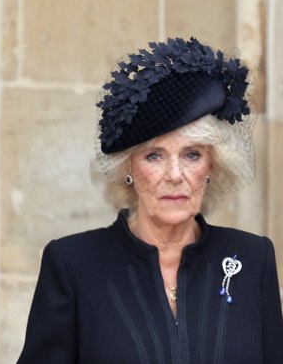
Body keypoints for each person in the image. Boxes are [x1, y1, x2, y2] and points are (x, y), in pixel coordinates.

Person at [17, 37, 283, 363]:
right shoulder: (73, 264)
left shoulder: (254, 259)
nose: (175, 175)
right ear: (127, 168)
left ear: (213, 166)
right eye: (155, 156)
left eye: (192, 155)